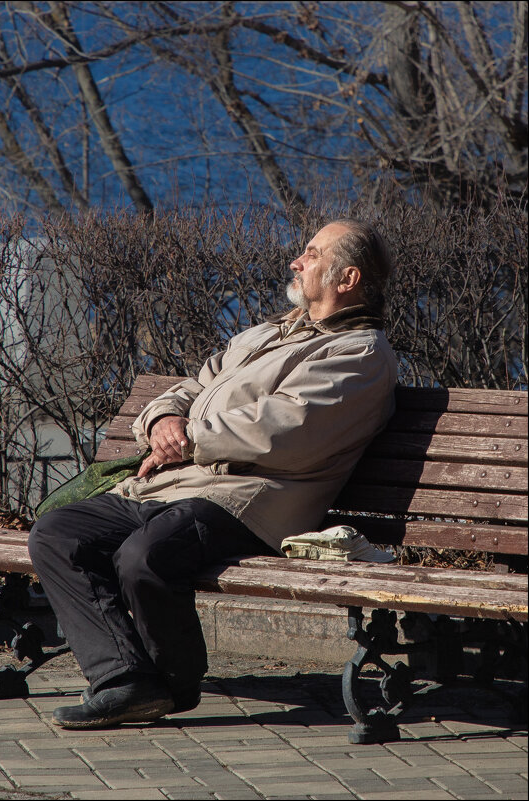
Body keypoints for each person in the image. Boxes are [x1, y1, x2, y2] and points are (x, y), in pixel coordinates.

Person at [28, 219, 398, 729]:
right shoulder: (268, 333)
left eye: (311, 254)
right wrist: (161, 420)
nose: (296, 261)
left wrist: (189, 439)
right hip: (174, 485)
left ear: (347, 278)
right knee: (58, 532)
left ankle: (176, 682)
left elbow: (287, 430)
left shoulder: (359, 354)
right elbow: (191, 385)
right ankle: (123, 681)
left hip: (251, 500)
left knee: (145, 555)